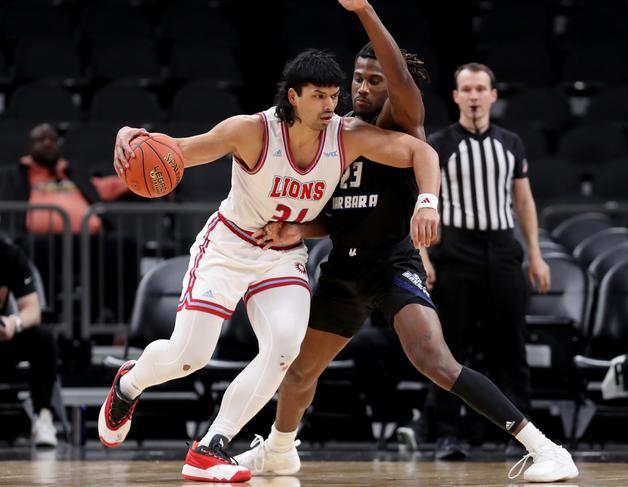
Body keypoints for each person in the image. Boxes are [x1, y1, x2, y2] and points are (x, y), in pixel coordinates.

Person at [234, 2, 577, 484]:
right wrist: (299, 230)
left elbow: (400, 81)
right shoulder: (336, 133)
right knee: (299, 372)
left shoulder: (400, 121)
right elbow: (332, 216)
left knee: (434, 359)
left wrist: (364, 12)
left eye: (373, 79)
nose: (363, 87)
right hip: (343, 270)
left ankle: (545, 448)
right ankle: (278, 451)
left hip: (392, 263)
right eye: (358, 77)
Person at [98, 48, 439, 483]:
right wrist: (133, 136)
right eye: (319, 96)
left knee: (283, 347)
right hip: (228, 247)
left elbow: (420, 153)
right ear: (294, 97)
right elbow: (180, 151)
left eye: (335, 96)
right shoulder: (250, 131)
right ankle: (129, 383)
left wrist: (426, 202)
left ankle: (210, 447)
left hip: (280, 257)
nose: (331, 106)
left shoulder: (345, 134)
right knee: (190, 356)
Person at [425, 62, 551, 460]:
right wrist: (423, 255)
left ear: (493, 95)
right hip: (455, 252)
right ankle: (447, 434)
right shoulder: (439, 143)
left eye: (482, 89)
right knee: (449, 349)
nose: (475, 96)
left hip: (502, 250)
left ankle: (524, 437)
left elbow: (524, 201)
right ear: (457, 96)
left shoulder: (511, 143)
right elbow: (422, 203)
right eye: (468, 89)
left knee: (510, 347)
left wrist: (535, 253)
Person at [0, 123, 129, 234]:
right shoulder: (15, 175)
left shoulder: (74, 174)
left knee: (126, 244)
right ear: (29, 146)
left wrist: (148, 178)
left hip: (88, 241)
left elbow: (109, 186)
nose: (47, 143)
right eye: (41, 139)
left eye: (53, 140)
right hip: (37, 243)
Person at [0, 238, 59, 447]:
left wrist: (13, 323)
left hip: (3, 341)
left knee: (42, 337)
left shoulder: (9, 255)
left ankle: (43, 417)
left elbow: (33, 310)